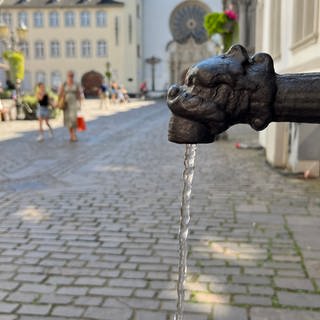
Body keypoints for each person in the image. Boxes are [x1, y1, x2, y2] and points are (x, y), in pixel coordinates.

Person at [58, 70, 82, 142]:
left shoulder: (76, 84)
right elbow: (60, 94)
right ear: (67, 76)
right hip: (66, 104)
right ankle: (71, 134)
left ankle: (74, 134)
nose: (71, 77)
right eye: (69, 75)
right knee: (68, 120)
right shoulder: (64, 84)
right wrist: (59, 102)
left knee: (74, 120)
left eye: (72, 75)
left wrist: (80, 103)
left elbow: (79, 94)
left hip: (74, 103)